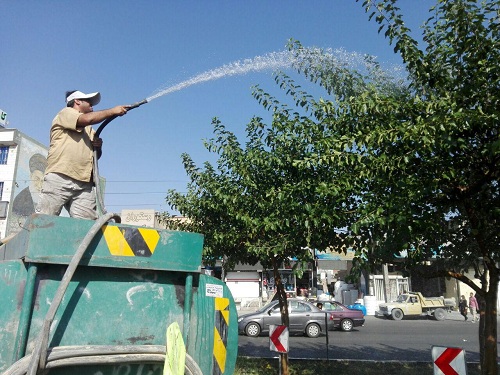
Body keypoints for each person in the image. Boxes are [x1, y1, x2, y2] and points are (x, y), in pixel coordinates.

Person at [36, 90, 129, 219]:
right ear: (77, 101)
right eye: (88, 101)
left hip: (84, 183)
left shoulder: (89, 130)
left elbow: (95, 157)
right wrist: (112, 111)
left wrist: (98, 147)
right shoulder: (66, 113)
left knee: (88, 225)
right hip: (61, 176)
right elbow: (87, 119)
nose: (92, 105)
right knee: (45, 219)